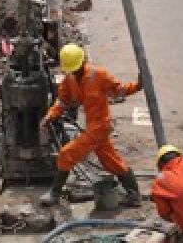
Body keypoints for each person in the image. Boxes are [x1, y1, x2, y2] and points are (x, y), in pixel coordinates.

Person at [39, 43, 143, 207]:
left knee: (66, 154)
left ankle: (54, 194)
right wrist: (50, 115)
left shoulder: (98, 75)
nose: (74, 71)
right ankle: (134, 195)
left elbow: (119, 90)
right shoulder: (70, 79)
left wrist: (137, 86)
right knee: (110, 161)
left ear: (82, 61)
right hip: (91, 127)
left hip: (100, 126)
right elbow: (62, 100)